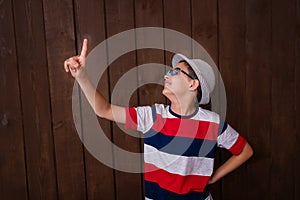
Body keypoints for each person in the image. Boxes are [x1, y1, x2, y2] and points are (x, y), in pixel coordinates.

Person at [64, 39, 253, 200]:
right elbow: (103, 110)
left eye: (174, 71)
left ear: (192, 84)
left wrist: (214, 177)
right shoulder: (152, 116)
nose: (166, 75)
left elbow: (245, 151)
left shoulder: (213, 123)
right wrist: (81, 76)